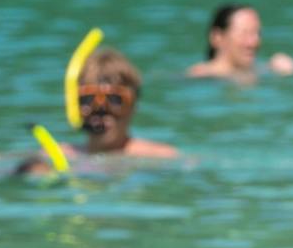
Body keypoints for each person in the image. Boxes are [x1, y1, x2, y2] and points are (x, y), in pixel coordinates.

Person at [18, 46, 178, 173]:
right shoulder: (55, 155)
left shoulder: (161, 157)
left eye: (114, 100)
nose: (101, 111)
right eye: (88, 100)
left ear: (134, 105)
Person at [186, 3, 293, 81]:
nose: (253, 43)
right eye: (244, 34)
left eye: (257, 33)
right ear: (217, 37)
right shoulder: (200, 77)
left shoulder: (264, 69)